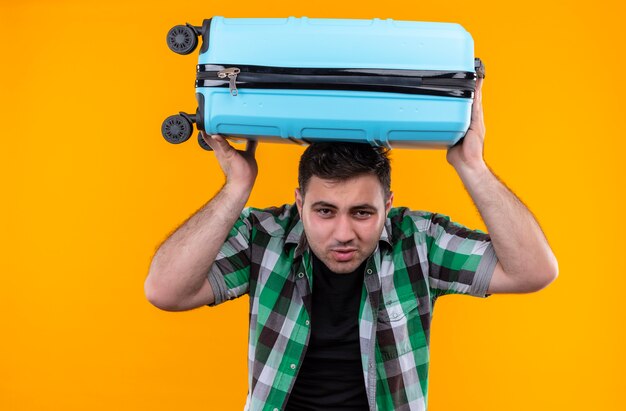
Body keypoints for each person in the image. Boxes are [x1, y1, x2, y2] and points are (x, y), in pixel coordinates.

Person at [144, 78, 558, 410]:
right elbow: (165, 291)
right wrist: (237, 187)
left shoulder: (418, 242)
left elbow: (533, 271)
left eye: (362, 213)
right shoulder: (263, 235)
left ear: (388, 206)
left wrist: (473, 166)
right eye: (325, 211)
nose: (343, 233)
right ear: (300, 203)